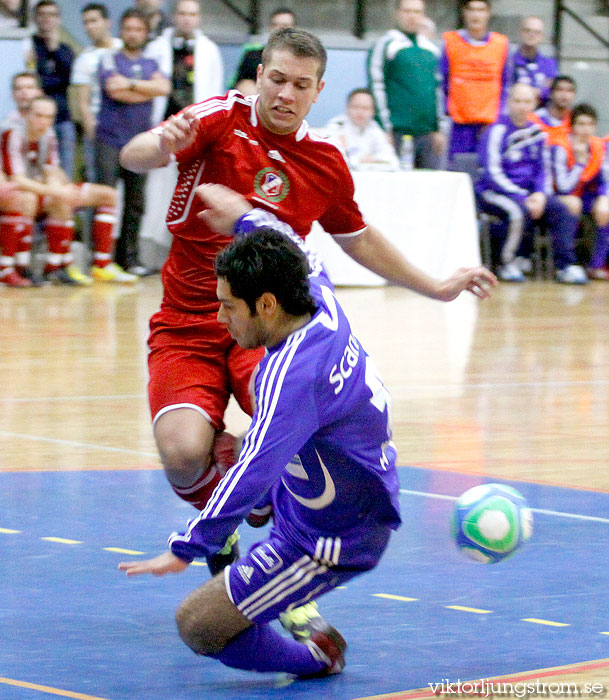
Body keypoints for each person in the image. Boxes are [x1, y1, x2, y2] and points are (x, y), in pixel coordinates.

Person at [119, 28, 496, 575]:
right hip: (186, 324)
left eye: (300, 85)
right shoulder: (219, 119)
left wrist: (436, 286)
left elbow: (359, 237)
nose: (285, 95)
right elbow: (134, 156)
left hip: (270, 332)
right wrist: (161, 144)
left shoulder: (323, 161)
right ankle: (217, 521)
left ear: (318, 90)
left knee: (298, 444)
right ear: (259, 79)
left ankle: (283, 561)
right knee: (181, 454)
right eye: (276, 80)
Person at [117, 184, 402, 677]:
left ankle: (317, 658)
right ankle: (265, 550)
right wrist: (245, 217)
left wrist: (187, 546)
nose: (221, 317)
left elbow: (252, 472)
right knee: (239, 450)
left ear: (266, 305)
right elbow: (290, 240)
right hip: (330, 483)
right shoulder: (316, 295)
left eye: (229, 306)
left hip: (330, 537)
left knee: (198, 624)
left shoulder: (290, 377)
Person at [476, 83, 587, 285]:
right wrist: (522, 196)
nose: (522, 106)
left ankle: (566, 266)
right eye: (517, 101)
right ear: (509, 102)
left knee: (563, 210)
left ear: (534, 104)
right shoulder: (496, 131)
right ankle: (507, 262)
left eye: (527, 102)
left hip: (530, 195)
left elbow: (543, 170)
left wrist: (540, 195)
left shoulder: (538, 132)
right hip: (494, 192)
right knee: (517, 211)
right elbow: (492, 173)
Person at [1, 96, 119, 285]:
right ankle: (18, 266)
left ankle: (89, 264)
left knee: (107, 194)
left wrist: (62, 186)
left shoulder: (48, 135)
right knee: (30, 198)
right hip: (18, 192)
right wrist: (57, 191)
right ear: (26, 115)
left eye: (49, 117)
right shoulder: (12, 134)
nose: (43, 122)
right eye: (38, 116)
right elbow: (16, 179)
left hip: (39, 191)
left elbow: (52, 169)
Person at [140, 0, 224, 260]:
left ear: (198, 18)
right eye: (182, 14)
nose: (187, 19)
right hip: (161, 127)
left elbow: (215, 90)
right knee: (154, 194)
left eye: (192, 14)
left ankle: (186, 251)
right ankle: (150, 253)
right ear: (174, 17)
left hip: (195, 130)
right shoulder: (155, 48)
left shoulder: (209, 50)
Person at [95, 7, 170, 276]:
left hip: (139, 142)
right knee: (105, 197)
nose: (133, 34)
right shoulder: (109, 59)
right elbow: (114, 90)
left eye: (138, 29)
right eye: (128, 29)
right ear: (121, 31)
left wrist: (129, 85)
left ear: (145, 33)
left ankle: (129, 260)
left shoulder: (152, 63)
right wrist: (142, 88)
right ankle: (99, 259)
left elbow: (163, 88)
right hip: (109, 139)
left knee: (136, 203)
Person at [368, 0, 444, 170]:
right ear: (397, 14)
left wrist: (439, 129)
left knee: (430, 186)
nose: (412, 16)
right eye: (407, 11)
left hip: (428, 135)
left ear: (423, 16)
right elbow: (376, 86)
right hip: (396, 133)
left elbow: (438, 91)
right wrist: (383, 129)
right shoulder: (386, 44)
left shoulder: (431, 49)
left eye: (417, 12)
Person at [440, 0, 511, 163]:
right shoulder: (451, 42)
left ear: (488, 13)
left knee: (488, 173)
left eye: (481, 10)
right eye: (471, 10)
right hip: (459, 126)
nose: (476, 15)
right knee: (459, 172)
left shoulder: (501, 44)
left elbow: (506, 85)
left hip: (489, 125)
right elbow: (442, 84)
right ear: (464, 13)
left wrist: (499, 119)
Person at [549, 103, 609, 280]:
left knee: (606, 208)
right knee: (571, 206)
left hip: (584, 195)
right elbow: (563, 186)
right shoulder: (560, 146)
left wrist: (603, 197)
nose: (585, 129)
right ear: (572, 126)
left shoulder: (598, 146)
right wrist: (579, 164)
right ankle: (568, 264)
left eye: (589, 125)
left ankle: (597, 265)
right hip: (558, 195)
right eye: (581, 124)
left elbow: (604, 179)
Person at [71, 3, 122, 185]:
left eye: (94, 21)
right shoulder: (84, 59)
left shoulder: (123, 48)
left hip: (126, 124)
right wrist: (92, 133)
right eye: (86, 23)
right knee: (99, 182)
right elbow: (83, 103)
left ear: (107, 22)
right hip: (101, 127)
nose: (90, 27)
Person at [24, 0, 76, 178]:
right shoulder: (27, 45)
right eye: (42, 14)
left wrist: (54, 49)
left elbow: (68, 80)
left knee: (64, 169)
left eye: (52, 15)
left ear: (58, 19)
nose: (47, 19)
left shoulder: (65, 50)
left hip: (61, 117)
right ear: (35, 18)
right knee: (33, 169)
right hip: (33, 117)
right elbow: (30, 79)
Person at [325, 88, 399, 170]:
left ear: (373, 111)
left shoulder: (374, 128)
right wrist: (362, 159)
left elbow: (393, 160)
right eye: (355, 107)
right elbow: (335, 161)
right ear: (347, 108)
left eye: (365, 108)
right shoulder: (336, 127)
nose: (360, 112)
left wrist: (370, 159)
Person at [230, 7, 296, 96]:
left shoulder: (300, 60)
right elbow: (241, 85)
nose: (280, 29)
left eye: (285, 26)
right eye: (276, 25)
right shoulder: (253, 56)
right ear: (270, 27)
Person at [512, 16, 557, 107]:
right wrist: (538, 91)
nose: (531, 35)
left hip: (540, 114)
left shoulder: (549, 64)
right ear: (520, 33)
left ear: (542, 36)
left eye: (537, 32)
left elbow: (551, 90)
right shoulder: (509, 61)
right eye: (527, 30)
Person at [530, 74, 576, 140]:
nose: (564, 94)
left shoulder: (575, 120)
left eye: (569, 91)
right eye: (560, 90)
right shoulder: (535, 118)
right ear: (551, 93)